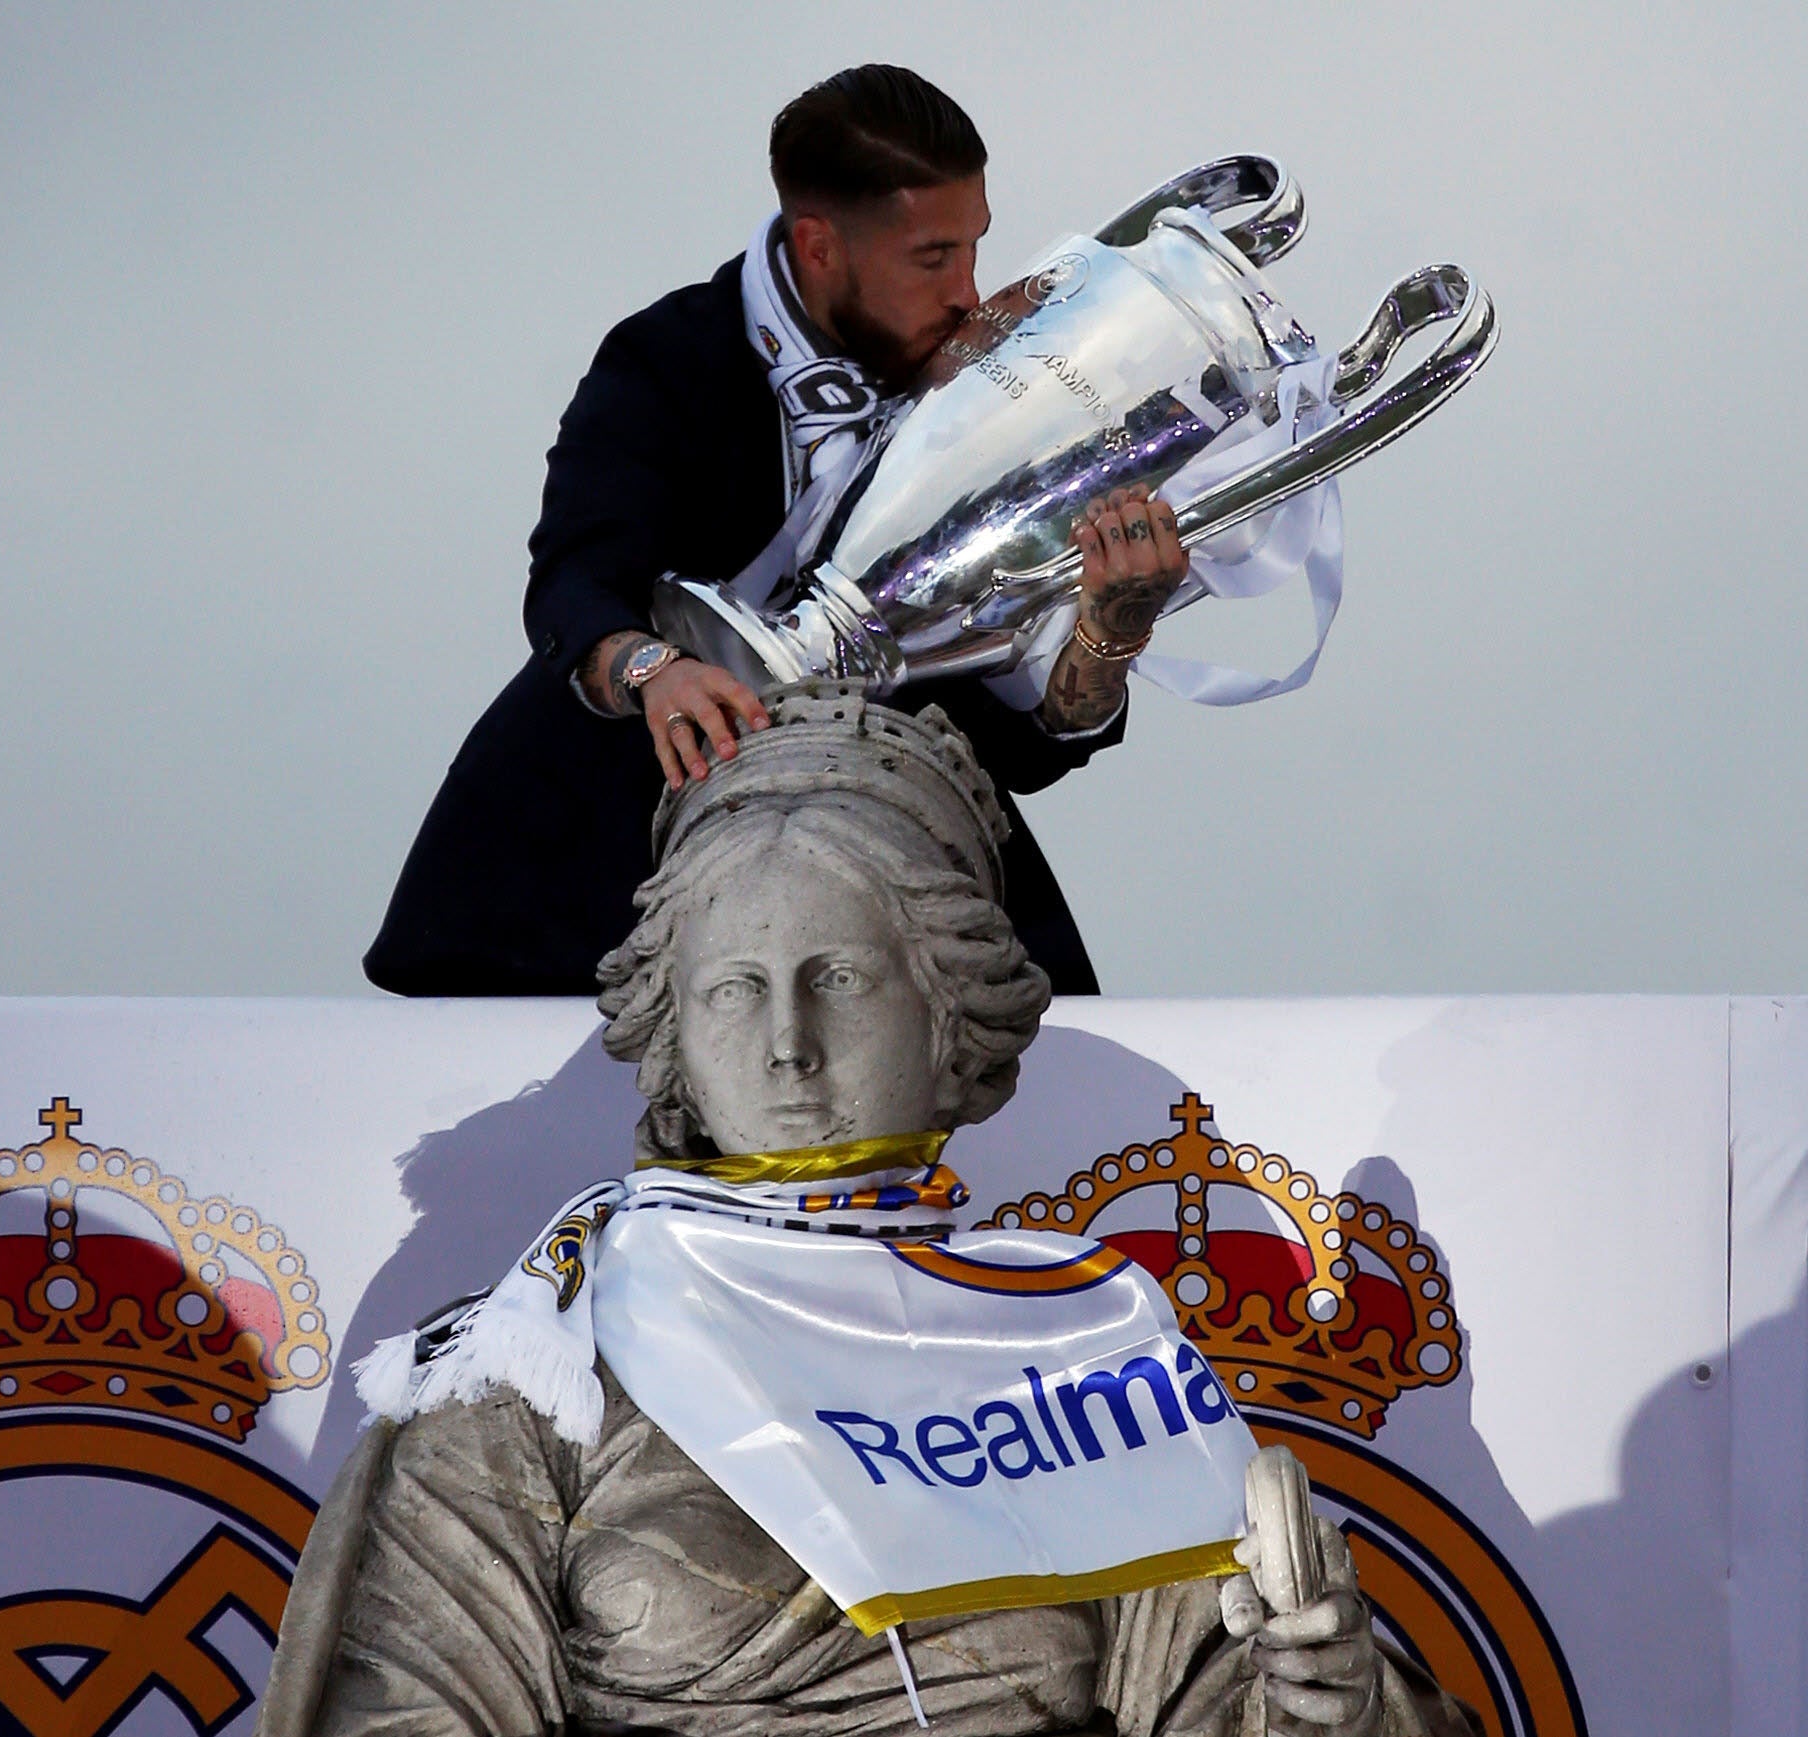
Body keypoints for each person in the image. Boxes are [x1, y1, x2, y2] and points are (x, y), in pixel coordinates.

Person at [260, 686, 1471, 1737]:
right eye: (735, 990)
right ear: (670, 1033)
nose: (789, 1048)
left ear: (952, 1021)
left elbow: (1230, 1703)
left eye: (838, 979)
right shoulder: (537, 1373)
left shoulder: (1076, 1349)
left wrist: (1327, 1703)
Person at [363, 64, 1191, 999]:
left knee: (1045, 1091)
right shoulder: (670, 357)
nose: (970, 292)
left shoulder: (991, 385)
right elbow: (573, 583)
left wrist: (1107, 631)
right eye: (932, 258)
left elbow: (1020, 750)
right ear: (819, 244)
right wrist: (654, 672)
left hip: (887, 879)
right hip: (588, 873)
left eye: (974, 247)